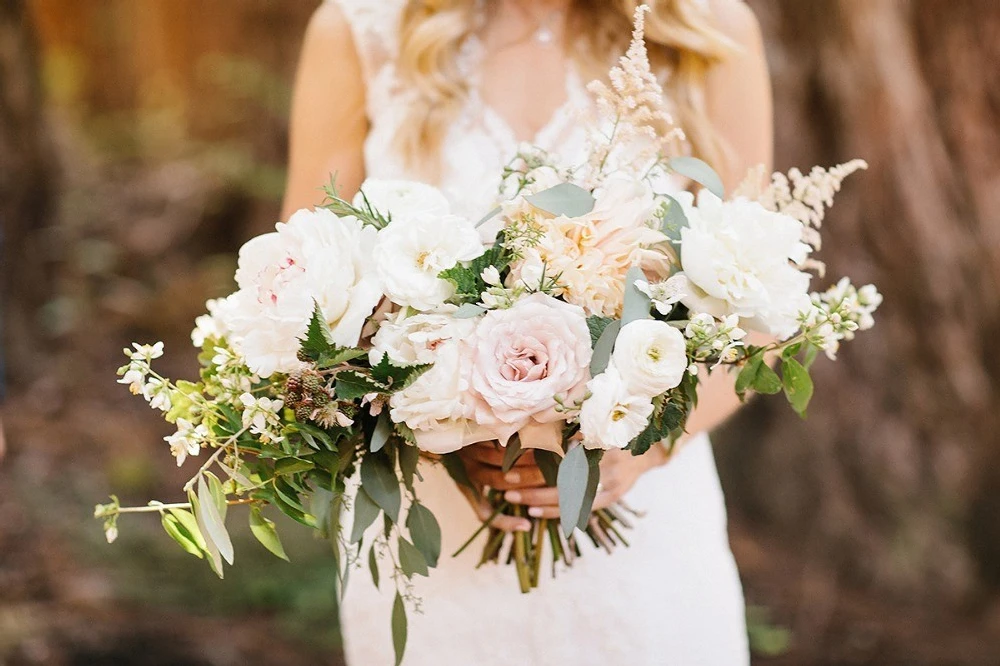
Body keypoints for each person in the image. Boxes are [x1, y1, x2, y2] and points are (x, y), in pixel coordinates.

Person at [282, 0, 772, 663]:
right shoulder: (359, 31)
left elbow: (761, 312)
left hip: (645, 535)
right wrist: (435, 431)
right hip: (434, 549)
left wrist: (648, 445)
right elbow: (299, 293)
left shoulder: (709, 31)